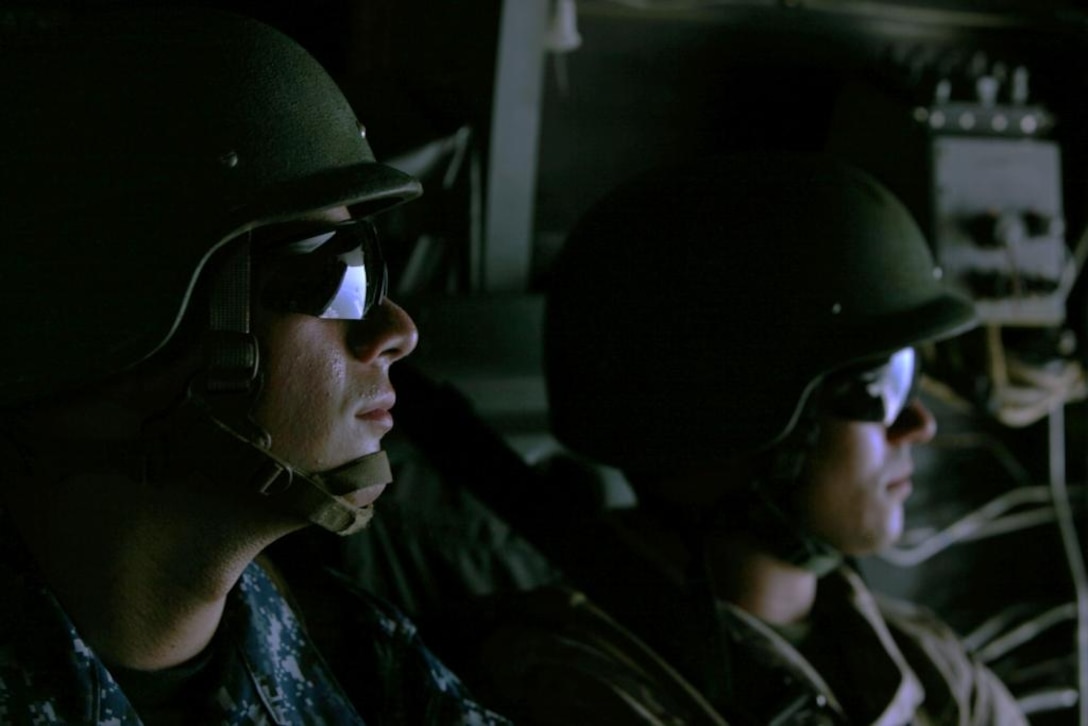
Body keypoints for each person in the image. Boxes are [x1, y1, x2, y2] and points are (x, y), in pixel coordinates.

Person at [0, 7, 509, 724]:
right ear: (123, 333)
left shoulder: (357, 654)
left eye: (370, 263)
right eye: (333, 272)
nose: (396, 330)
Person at [465, 152, 1028, 724]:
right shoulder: (568, 686)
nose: (918, 423)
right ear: (731, 420)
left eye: (907, 371)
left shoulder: (924, 661)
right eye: (876, 385)